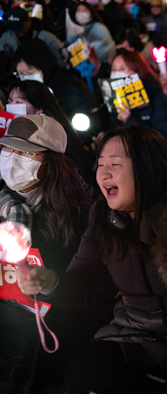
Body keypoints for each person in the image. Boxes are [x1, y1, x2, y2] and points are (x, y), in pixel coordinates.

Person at [16, 126, 167, 394]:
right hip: (137, 330)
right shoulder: (101, 216)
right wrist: (50, 281)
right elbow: (82, 280)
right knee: (81, 376)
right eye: (101, 164)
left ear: (146, 168)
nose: (103, 174)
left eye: (115, 164)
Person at [0, 115, 91, 392]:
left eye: (26, 152)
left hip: (42, 323)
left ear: (51, 162)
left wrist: (48, 282)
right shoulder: (7, 201)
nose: (13, 158)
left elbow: (80, 287)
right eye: (8, 149)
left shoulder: (75, 214)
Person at [7, 80, 92, 179]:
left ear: (38, 109)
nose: (12, 107)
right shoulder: (9, 136)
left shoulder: (58, 141)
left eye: (18, 102)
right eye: (9, 102)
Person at [13, 40, 101, 134]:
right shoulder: (22, 92)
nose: (26, 77)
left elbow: (89, 128)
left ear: (44, 67)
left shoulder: (73, 89)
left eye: (30, 72)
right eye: (21, 74)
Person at [110, 51, 167, 152]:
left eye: (123, 69)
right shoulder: (113, 100)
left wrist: (131, 120)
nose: (117, 74)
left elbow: (164, 138)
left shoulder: (157, 97)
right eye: (113, 69)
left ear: (138, 72)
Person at [0, 6, 65, 67]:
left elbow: (60, 63)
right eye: (14, 28)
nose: (18, 31)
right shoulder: (6, 37)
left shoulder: (47, 38)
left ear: (29, 21)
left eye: (20, 27)